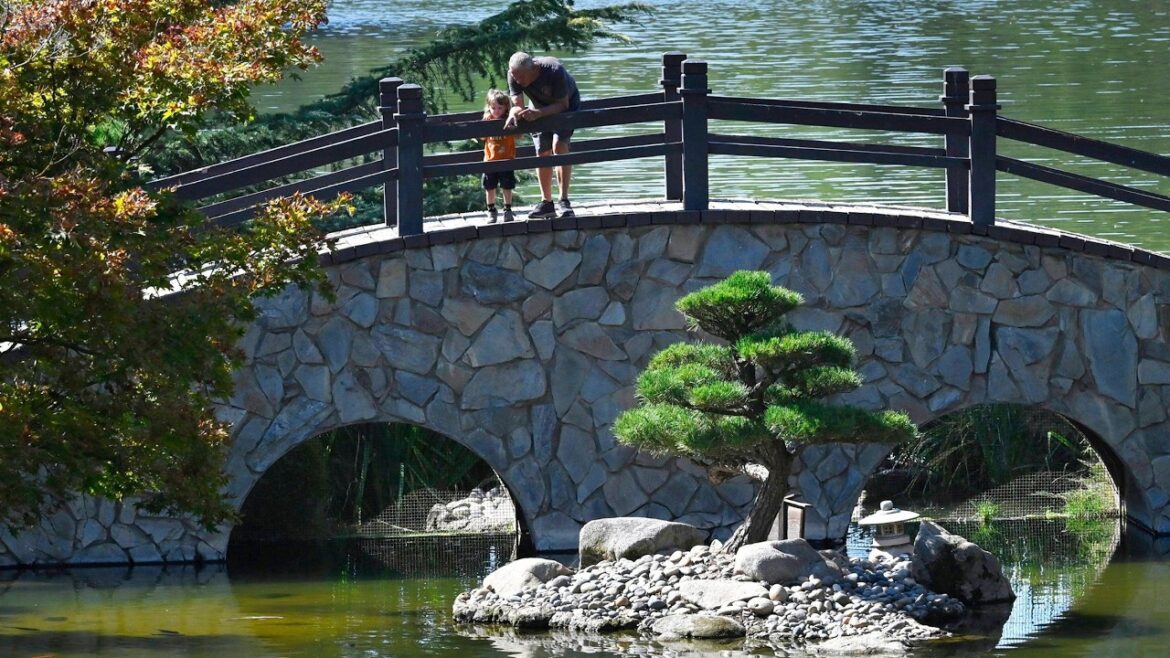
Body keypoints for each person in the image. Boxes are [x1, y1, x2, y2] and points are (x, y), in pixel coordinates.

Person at [503, 51, 580, 219]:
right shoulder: (513, 73)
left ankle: (564, 201)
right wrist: (513, 114)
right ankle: (547, 203)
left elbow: (562, 104)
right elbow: (517, 104)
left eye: (520, 77)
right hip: (538, 106)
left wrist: (539, 113)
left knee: (559, 145)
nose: (517, 80)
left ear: (533, 70)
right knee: (542, 152)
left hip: (567, 105)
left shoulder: (554, 70)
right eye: (514, 76)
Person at [480, 88, 517, 223]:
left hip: (506, 160)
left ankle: (507, 209)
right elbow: (482, 137)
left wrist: (512, 126)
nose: (496, 111)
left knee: (507, 186)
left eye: (500, 108)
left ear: (506, 108)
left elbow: (519, 135)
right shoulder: (488, 120)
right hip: (490, 160)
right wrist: (485, 124)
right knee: (490, 187)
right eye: (493, 108)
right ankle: (491, 211)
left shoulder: (509, 121)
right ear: (489, 107)